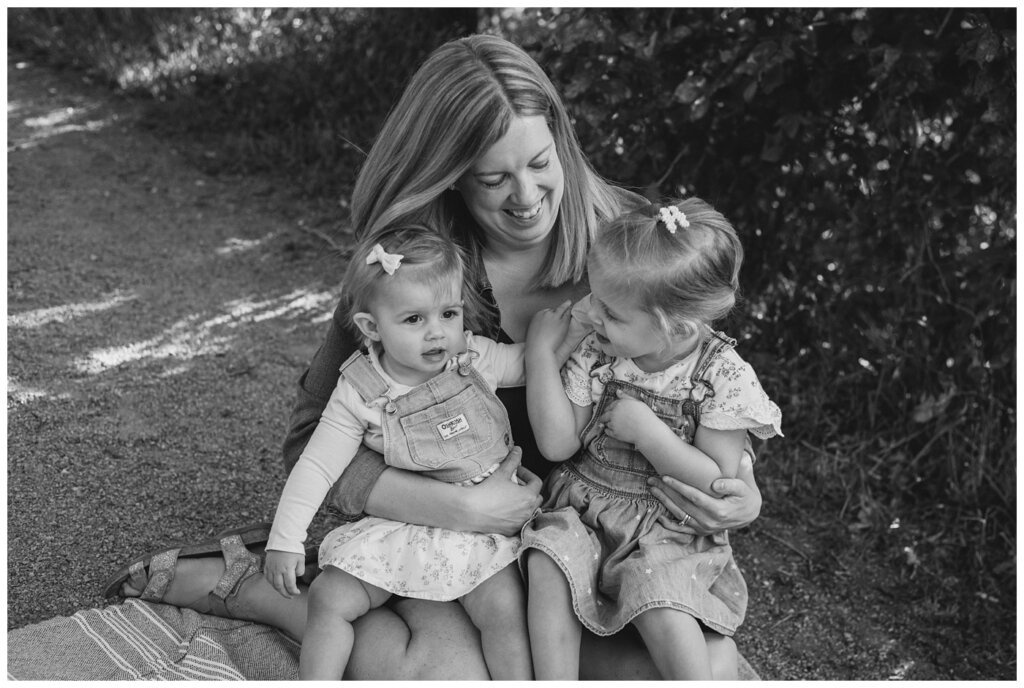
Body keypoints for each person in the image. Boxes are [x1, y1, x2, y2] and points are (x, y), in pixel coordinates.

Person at [106, 34, 764, 679]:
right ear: (451, 179)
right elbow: (311, 440)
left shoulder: (630, 248)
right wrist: (462, 511)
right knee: (445, 674)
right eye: (493, 179)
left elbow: (694, 372)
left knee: (708, 663)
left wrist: (739, 487)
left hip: (589, 534)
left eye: (540, 163)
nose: (527, 197)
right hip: (456, 531)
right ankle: (268, 590)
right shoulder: (411, 277)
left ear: (562, 142)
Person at [521, 197, 783, 679]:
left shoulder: (722, 378)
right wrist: (540, 355)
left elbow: (717, 481)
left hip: (668, 530)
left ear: (676, 327)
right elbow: (558, 445)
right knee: (547, 560)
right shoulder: (599, 354)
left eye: (612, 313)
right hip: (583, 511)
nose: (592, 315)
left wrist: (647, 432)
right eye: (594, 298)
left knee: (659, 591)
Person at [263, 226, 531, 679]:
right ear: (372, 328)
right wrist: (285, 539)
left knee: (505, 608)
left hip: (484, 535)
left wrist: (572, 332)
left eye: (449, 313)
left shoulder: (472, 359)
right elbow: (317, 464)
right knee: (330, 596)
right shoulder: (362, 389)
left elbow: (529, 363)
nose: (438, 334)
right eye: (414, 320)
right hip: (404, 526)